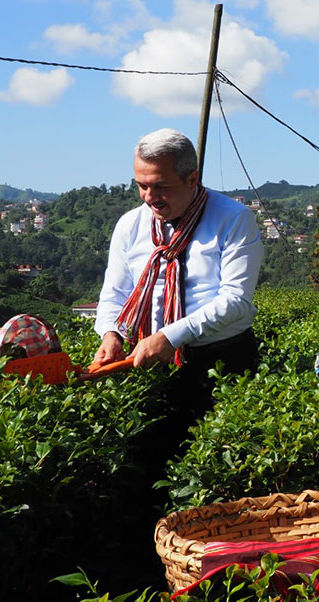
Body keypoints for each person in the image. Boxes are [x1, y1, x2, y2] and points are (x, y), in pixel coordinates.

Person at [92, 128, 264, 468]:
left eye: (161, 186)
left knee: (217, 470)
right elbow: (114, 293)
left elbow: (236, 300)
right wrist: (111, 334)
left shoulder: (233, 219)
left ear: (192, 179)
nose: (149, 196)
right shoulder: (131, 225)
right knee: (151, 469)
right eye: (142, 185)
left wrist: (171, 335)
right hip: (151, 361)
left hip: (221, 362)